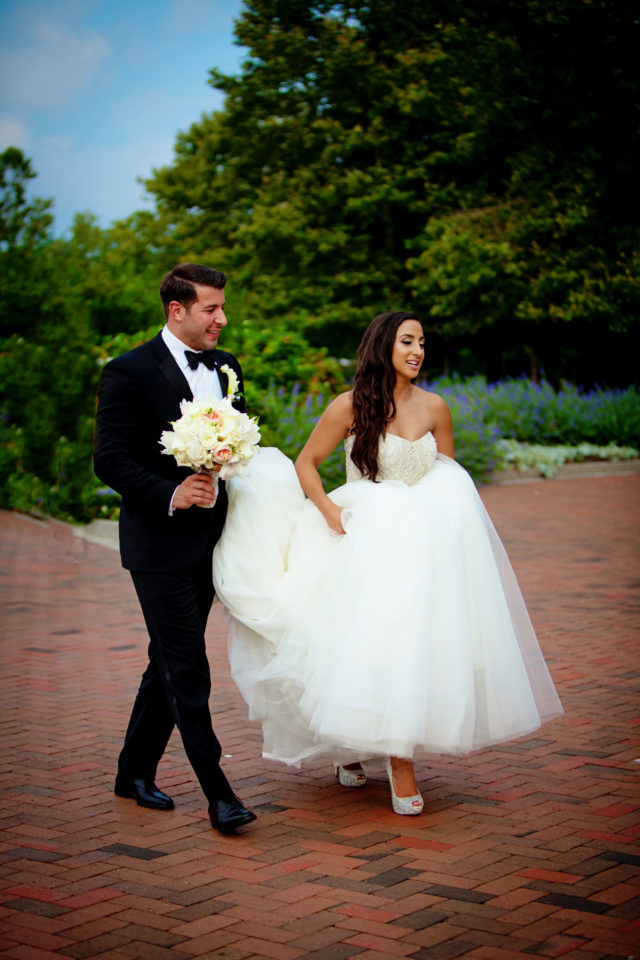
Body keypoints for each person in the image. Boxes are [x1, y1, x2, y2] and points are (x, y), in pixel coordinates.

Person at [212, 311, 563, 815]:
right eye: (406, 341)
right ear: (383, 346)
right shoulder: (349, 405)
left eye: (422, 341)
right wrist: (330, 510)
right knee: (356, 646)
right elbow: (305, 463)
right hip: (361, 539)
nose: (417, 350)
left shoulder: (436, 407)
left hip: (420, 549)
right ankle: (358, 749)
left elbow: (449, 480)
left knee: (412, 646)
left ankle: (399, 757)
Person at [94, 262, 256, 833]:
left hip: (211, 540)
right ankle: (220, 794)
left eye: (222, 307)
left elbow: (237, 440)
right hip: (157, 543)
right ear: (177, 310)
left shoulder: (228, 367)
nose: (222, 319)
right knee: (187, 664)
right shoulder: (128, 371)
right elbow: (108, 458)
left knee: (165, 658)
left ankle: (132, 771)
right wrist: (170, 492)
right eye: (211, 309)